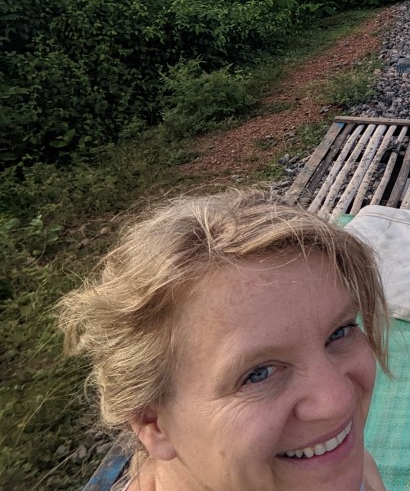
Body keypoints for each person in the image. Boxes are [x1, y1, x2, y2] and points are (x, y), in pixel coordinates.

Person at [58, 188, 391, 491]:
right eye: (258, 373)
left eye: (340, 332)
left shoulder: (335, 468)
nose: (339, 400)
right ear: (153, 423)